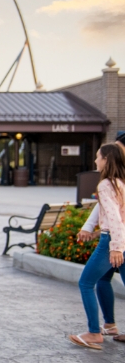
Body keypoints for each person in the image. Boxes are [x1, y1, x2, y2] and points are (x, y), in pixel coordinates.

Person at [69, 143, 125, 349]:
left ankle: (94, 333)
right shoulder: (121, 183)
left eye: (97, 157)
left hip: (113, 241)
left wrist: (116, 247)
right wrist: (93, 230)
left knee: (85, 283)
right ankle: (109, 325)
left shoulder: (106, 185)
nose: (95, 161)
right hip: (121, 238)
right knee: (103, 278)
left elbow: (115, 218)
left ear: (107, 159)